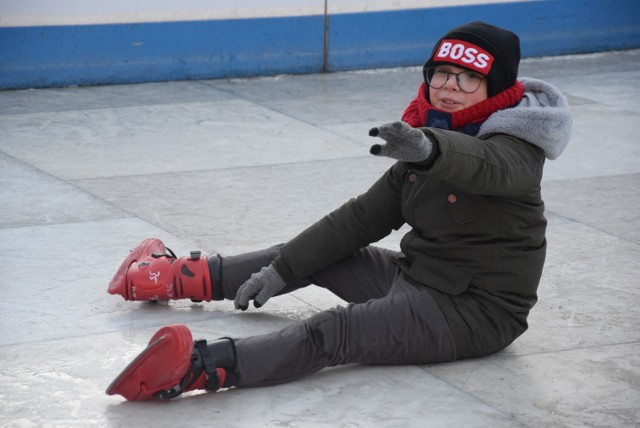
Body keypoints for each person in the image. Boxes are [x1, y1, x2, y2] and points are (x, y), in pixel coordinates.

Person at [106, 21, 573, 401]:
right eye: (441, 73)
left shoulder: (517, 149)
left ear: (496, 88)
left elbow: (488, 167)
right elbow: (359, 219)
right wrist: (284, 270)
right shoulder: (418, 145)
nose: (450, 87)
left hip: (472, 313)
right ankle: (179, 277)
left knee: (333, 332)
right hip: (419, 276)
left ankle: (197, 369)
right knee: (316, 252)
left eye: (469, 77)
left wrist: (430, 148)